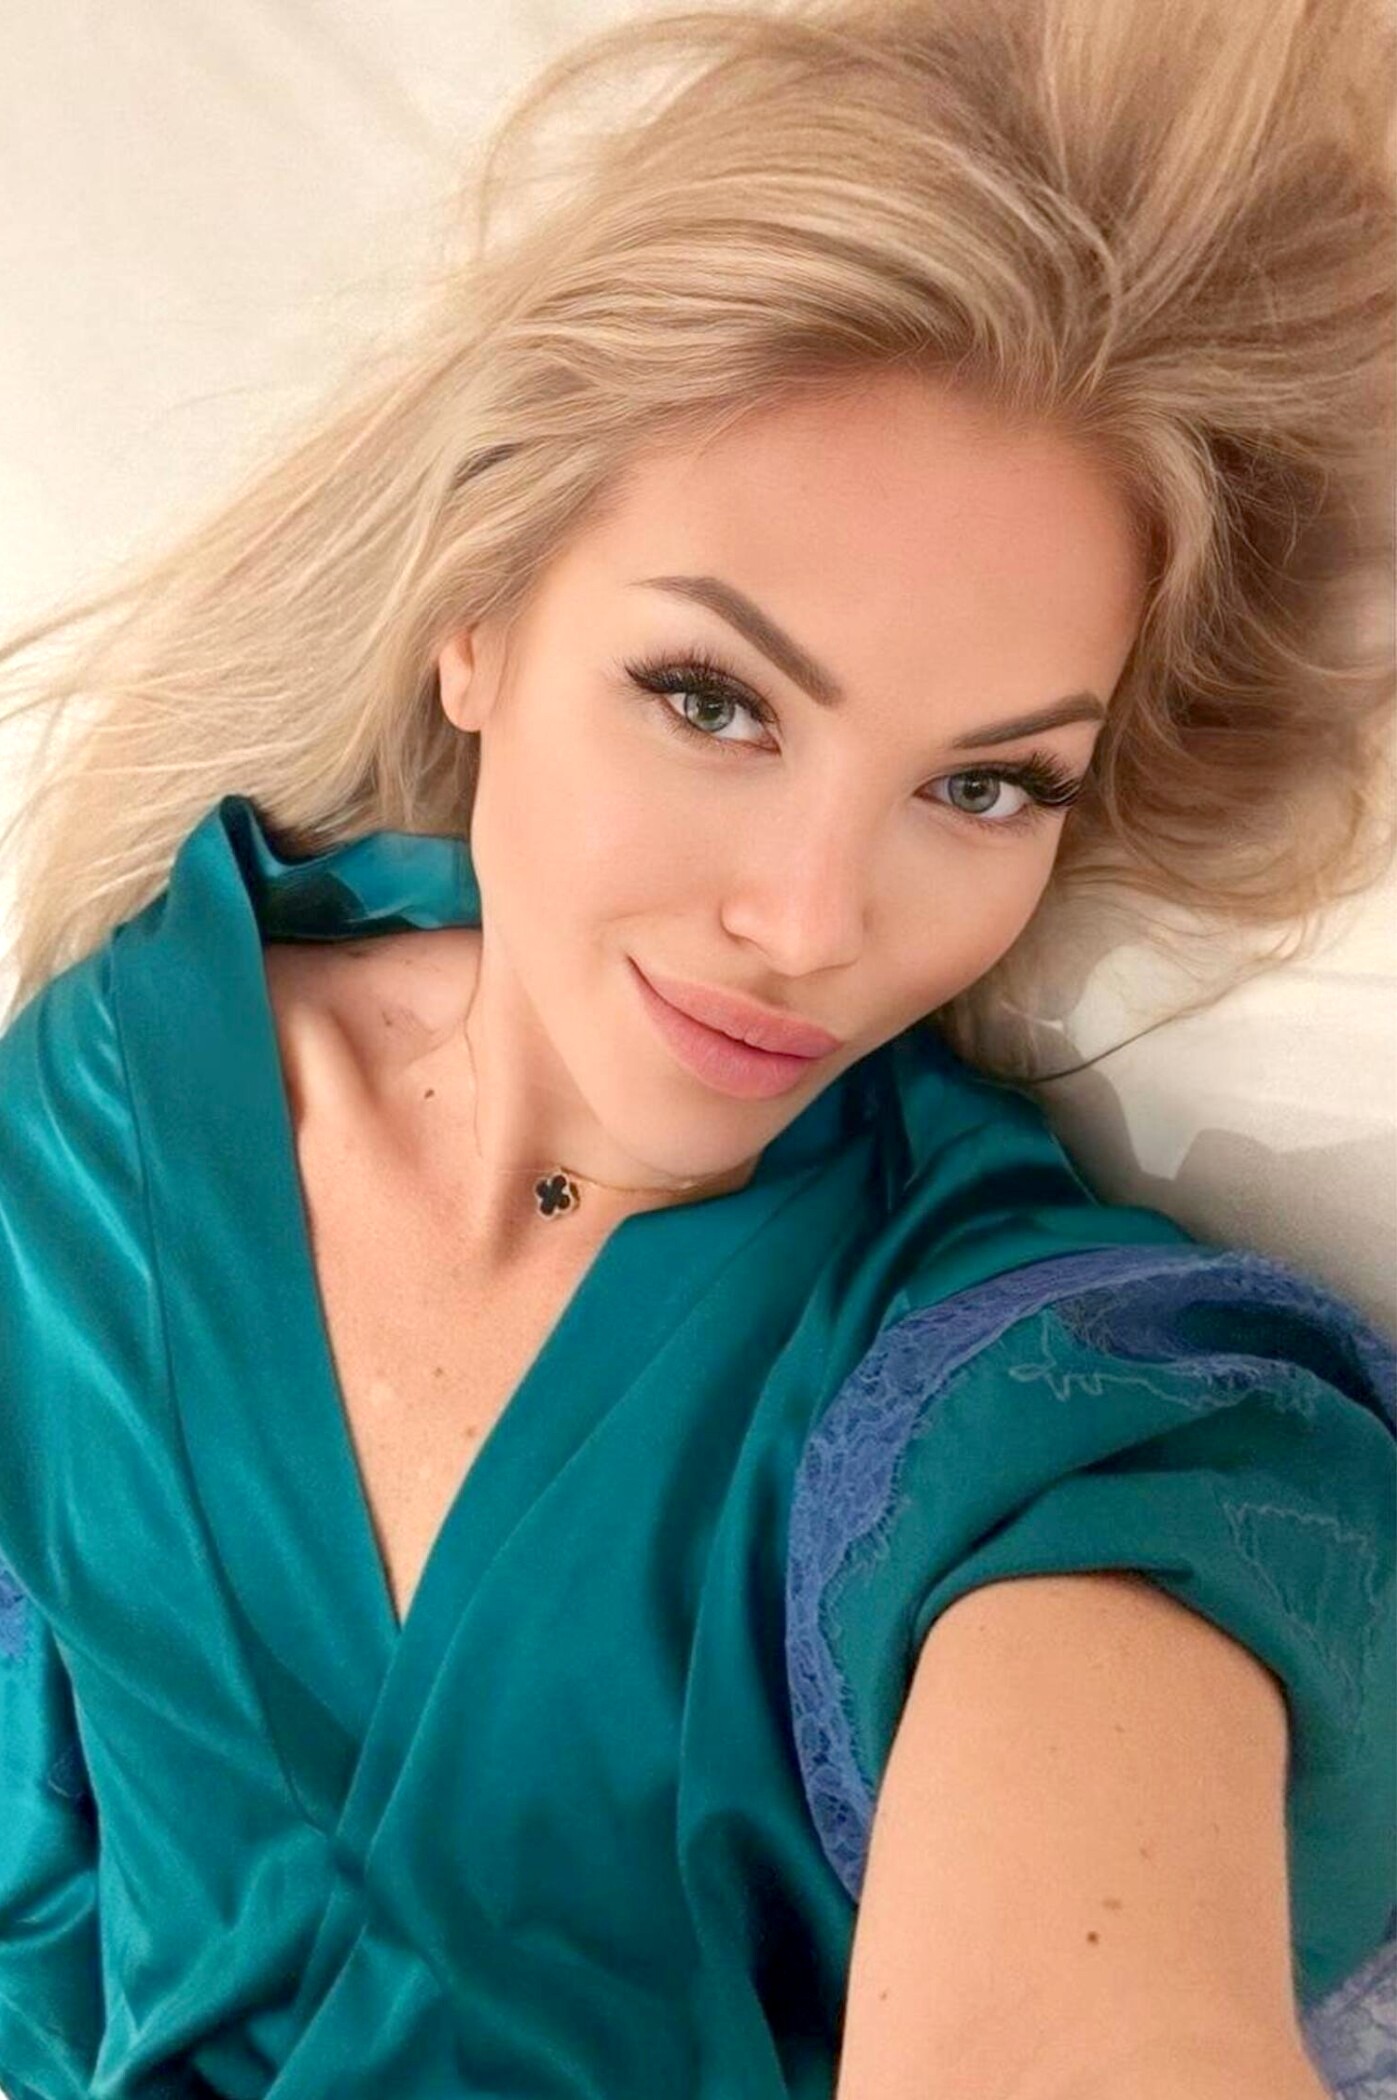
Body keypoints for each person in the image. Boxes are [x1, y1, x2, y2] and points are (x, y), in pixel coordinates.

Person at [0, 0, 1392, 2096]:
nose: (815, 924)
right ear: (479, 619)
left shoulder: (1044, 1400)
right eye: (715, 701)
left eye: (986, 786)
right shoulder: (110, 1105)